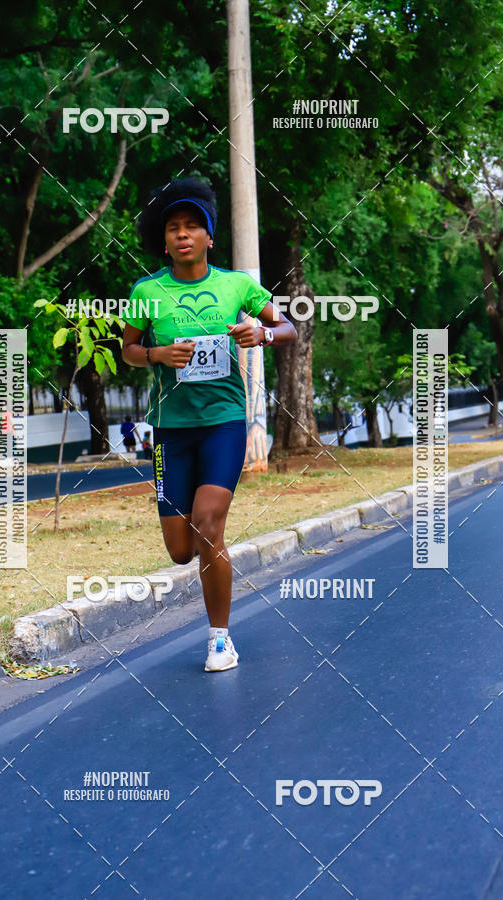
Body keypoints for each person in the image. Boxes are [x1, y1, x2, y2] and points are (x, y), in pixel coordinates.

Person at [122, 177, 297, 672]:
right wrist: (157, 353)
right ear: (165, 241)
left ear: (209, 237)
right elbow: (128, 350)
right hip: (170, 431)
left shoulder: (236, 284)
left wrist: (261, 333)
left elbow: (288, 328)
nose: (183, 234)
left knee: (208, 524)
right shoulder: (147, 291)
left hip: (224, 422)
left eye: (192, 226)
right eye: (173, 228)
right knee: (181, 550)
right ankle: (207, 574)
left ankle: (220, 639)